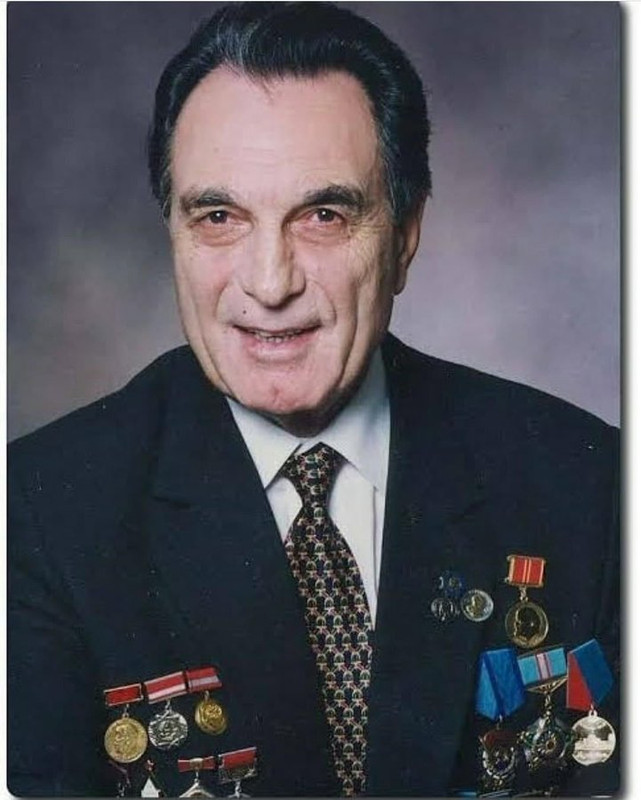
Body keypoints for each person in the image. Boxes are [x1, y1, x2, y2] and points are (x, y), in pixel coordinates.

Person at [8, 3, 619, 797]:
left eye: (323, 215)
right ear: (173, 232)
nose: (270, 283)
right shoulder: (35, 515)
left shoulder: (588, 484)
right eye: (218, 216)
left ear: (403, 235)